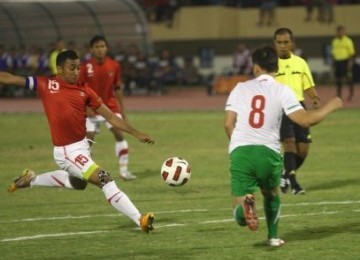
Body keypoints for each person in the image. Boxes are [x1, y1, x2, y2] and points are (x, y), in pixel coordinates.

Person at [0, 50, 155, 233]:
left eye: (77, 68)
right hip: (67, 151)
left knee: (78, 184)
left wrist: (136, 133)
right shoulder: (46, 84)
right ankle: (140, 219)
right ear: (59, 69)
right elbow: (12, 79)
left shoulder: (84, 90)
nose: (76, 72)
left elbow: (111, 117)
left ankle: (32, 180)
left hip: (82, 147)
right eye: (71, 68)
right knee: (104, 178)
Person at [224, 45, 342, 247]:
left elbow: (228, 124)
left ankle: (245, 208)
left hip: (241, 151)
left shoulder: (240, 88)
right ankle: (273, 238)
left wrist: (238, 146)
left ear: (255, 68)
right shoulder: (282, 90)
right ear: (276, 69)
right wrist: (331, 105)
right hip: (268, 153)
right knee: (271, 194)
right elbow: (305, 120)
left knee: (239, 214)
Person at [78, 35, 136, 181]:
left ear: (107, 48)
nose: (100, 49)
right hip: (91, 108)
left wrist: (122, 111)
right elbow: (79, 90)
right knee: (88, 140)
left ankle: (124, 171)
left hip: (110, 108)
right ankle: (86, 172)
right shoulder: (85, 67)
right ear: (91, 49)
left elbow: (117, 88)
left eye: (103, 46)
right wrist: (86, 108)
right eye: (97, 47)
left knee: (119, 135)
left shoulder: (114, 65)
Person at [273, 27, 320, 195]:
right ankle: (294, 184)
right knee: (289, 143)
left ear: (292, 43)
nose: (283, 46)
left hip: (299, 107)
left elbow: (308, 85)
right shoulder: (271, 65)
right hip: (280, 109)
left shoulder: (300, 63)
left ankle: (285, 174)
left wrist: (314, 97)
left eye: (286, 42)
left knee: (303, 149)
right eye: (279, 42)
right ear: (275, 43)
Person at [331, 25, 356, 101]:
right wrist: (334, 63)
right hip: (337, 62)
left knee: (349, 79)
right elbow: (333, 53)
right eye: (339, 31)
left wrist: (350, 63)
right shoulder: (335, 41)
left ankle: (351, 95)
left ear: (344, 32)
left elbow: (351, 53)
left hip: (346, 61)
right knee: (339, 80)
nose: (341, 33)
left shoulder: (348, 41)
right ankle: (339, 96)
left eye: (342, 31)